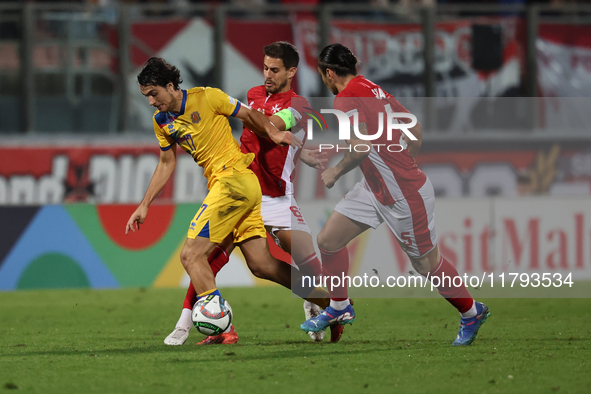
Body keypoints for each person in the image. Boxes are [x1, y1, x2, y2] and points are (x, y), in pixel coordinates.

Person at [126, 57, 331, 345]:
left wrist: (274, 132)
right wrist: (145, 203)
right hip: (237, 186)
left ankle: (221, 327)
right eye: (146, 96)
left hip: (232, 181)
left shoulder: (208, 97)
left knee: (191, 255)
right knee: (262, 264)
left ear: (171, 86)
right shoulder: (161, 121)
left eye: (153, 94)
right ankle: (331, 304)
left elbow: (249, 115)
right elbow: (165, 163)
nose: (150, 102)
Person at [300, 44, 490, 346]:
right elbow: (413, 126)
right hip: (375, 188)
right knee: (328, 241)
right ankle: (339, 306)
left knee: (427, 265)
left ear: (329, 72)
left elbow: (360, 148)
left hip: (403, 195)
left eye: (324, 74)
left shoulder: (345, 99)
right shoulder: (372, 89)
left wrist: (335, 173)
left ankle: (471, 312)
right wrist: (404, 159)